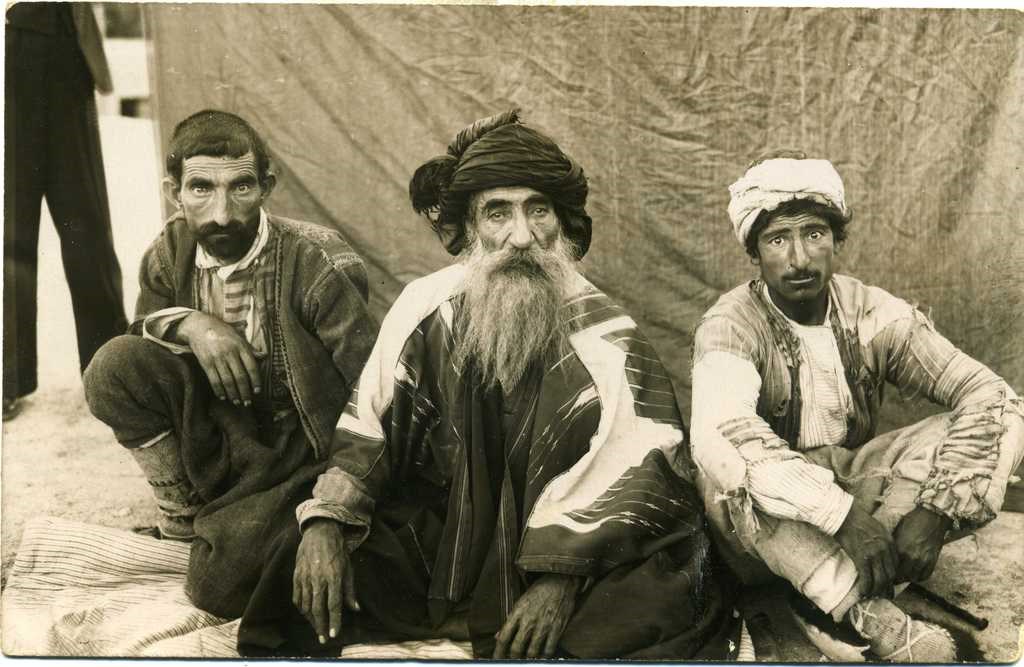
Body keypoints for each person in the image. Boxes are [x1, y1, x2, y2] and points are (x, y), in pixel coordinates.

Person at [233, 110, 738, 658]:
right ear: (471, 227)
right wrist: (326, 524)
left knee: (663, 601)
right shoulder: (427, 307)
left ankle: (525, 612)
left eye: (538, 210)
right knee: (298, 566)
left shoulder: (606, 332)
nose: (521, 237)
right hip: (450, 539)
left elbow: (640, 472)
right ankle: (470, 611)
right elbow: (368, 432)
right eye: (498, 213)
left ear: (562, 222)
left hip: (578, 549)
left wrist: (559, 581)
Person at [691, 153, 1024, 662]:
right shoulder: (731, 325)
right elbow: (722, 437)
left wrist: (935, 512)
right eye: (777, 240)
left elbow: (987, 394)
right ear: (754, 253)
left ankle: (835, 590)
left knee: (1003, 418)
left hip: (852, 481)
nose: (799, 259)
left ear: (837, 240)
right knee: (730, 472)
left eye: (814, 234)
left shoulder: (871, 311)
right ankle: (863, 610)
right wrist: (843, 517)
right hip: (761, 532)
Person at [82, 111, 377, 599]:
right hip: (217, 433)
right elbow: (141, 333)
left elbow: (373, 392)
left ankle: (239, 525)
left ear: (266, 187)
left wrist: (333, 503)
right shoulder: (170, 249)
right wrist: (193, 324)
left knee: (218, 585)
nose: (221, 214)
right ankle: (185, 518)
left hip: (296, 453)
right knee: (111, 367)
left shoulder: (317, 260)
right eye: (201, 188)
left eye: (240, 187)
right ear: (173, 192)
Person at [4, 3, 128, 421]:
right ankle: (6, 377)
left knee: (85, 220)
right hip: (12, 40)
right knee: (10, 227)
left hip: (64, 42)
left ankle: (111, 371)